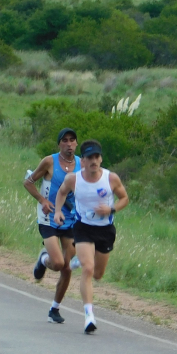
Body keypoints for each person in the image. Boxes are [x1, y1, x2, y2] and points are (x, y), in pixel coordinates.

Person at [54, 139, 129, 334]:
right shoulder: (73, 179)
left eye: (97, 157)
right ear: (83, 161)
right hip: (83, 228)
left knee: (98, 274)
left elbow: (125, 198)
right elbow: (61, 193)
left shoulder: (111, 178)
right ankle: (89, 316)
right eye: (89, 158)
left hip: (105, 230)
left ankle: (80, 260)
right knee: (88, 269)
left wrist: (111, 209)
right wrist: (57, 212)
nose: (94, 161)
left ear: (101, 159)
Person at [23, 128, 80, 324]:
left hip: (69, 219)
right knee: (57, 263)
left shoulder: (82, 164)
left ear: (76, 144)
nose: (69, 144)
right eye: (65, 141)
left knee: (67, 267)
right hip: (48, 216)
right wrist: (42, 200)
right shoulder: (49, 162)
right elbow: (28, 182)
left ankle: (54, 309)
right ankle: (44, 259)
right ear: (59, 144)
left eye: (72, 140)